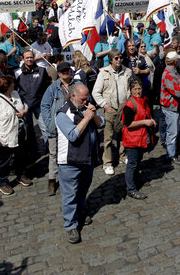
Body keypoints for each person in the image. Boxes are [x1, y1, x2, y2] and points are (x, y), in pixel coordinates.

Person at [55, 83, 104, 244]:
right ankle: (70, 225)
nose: (86, 101)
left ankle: (81, 212)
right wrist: (87, 118)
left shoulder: (84, 108)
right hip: (70, 162)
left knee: (83, 190)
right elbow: (73, 135)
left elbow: (101, 123)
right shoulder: (63, 114)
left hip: (87, 159)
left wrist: (94, 116)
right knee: (70, 195)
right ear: (73, 96)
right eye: (83, 99)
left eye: (87, 98)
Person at [0, 75, 33, 196]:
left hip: (19, 133)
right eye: (12, 83)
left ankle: (21, 175)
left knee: (21, 156)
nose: (14, 85)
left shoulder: (15, 94)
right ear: (6, 87)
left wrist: (24, 111)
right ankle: (2, 182)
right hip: (4, 136)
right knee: (2, 160)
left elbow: (25, 104)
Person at [91, 49, 132, 175]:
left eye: (120, 57)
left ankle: (122, 155)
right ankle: (107, 162)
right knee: (108, 138)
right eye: (116, 58)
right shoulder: (103, 73)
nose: (119, 60)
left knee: (123, 134)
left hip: (123, 108)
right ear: (111, 60)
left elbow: (130, 88)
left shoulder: (127, 72)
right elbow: (95, 92)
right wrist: (105, 105)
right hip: (111, 108)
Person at [40, 61, 75, 196]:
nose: (66, 73)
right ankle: (52, 180)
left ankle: (69, 178)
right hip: (56, 126)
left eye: (67, 70)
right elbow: (45, 106)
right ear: (59, 74)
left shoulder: (77, 85)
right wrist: (50, 124)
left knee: (71, 152)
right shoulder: (52, 88)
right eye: (63, 71)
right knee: (53, 153)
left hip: (72, 124)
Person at [121, 78, 156, 199]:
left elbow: (146, 113)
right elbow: (128, 124)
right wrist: (145, 122)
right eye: (135, 89)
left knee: (137, 162)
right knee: (132, 163)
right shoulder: (130, 104)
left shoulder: (144, 99)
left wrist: (151, 120)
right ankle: (131, 189)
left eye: (139, 88)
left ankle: (136, 181)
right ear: (130, 90)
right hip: (132, 138)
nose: (137, 91)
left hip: (141, 137)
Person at [14, 50, 52, 162]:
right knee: (29, 130)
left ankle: (50, 149)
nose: (29, 59)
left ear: (34, 57)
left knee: (45, 127)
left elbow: (46, 87)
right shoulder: (17, 73)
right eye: (27, 58)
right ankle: (32, 151)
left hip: (39, 104)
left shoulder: (41, 70)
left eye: (31, 57)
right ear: (23, 59)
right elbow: (16, 90)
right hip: (24, 106)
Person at [159, 51, 180, 165]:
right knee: (172, 132)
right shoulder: (169, 74)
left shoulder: (172, 71)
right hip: (170, 106)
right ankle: (171, 155)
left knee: (174, 131)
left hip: (173, 106)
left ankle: (172, 152)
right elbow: (179, 92)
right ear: (175, 61)